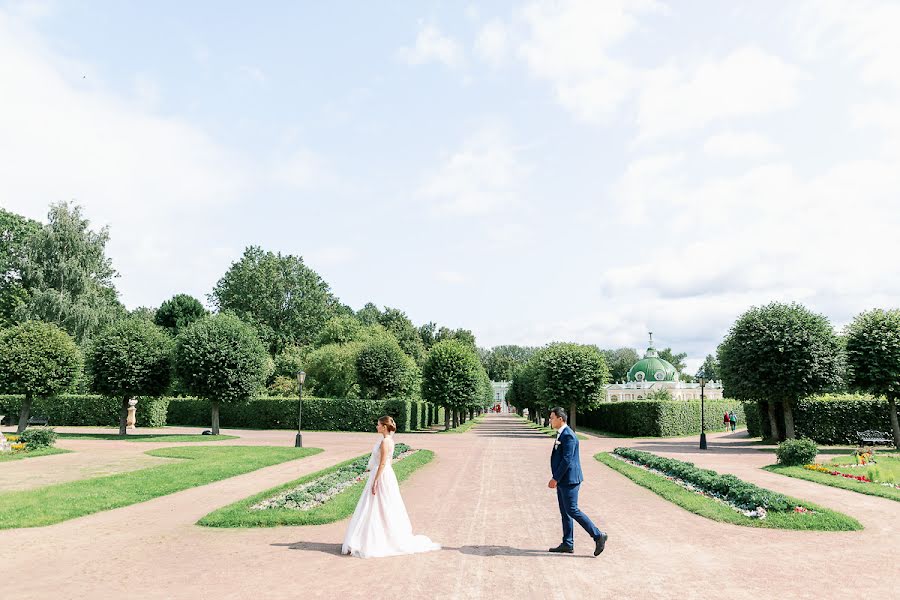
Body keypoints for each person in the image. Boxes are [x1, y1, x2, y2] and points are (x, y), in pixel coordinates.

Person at [342, 415, 441, 558]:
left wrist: (376, 480)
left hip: (381, 474)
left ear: (384, 426)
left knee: (377, 505)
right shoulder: (388, 440)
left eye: (378, 424)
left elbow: (382, 463)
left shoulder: (385, 442)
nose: (376, 426)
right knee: (382, 505)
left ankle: (373, 540)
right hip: (386, 474)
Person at [547, 407, 608, 557]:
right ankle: (568, 543)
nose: (550, 420)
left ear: (560, 419)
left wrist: (555, 478)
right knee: (565, 512)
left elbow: (567, 460)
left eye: (552, 417)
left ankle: (598, 536)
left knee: (572, 510)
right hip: (564, 479)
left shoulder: (568, 436)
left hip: (569, 480)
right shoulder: (562, 434)